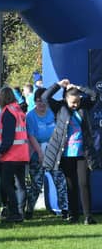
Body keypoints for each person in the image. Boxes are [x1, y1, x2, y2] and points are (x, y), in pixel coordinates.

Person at [42, 79, 99, 224]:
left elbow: (95, 95)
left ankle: (88, 216)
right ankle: (73, 216)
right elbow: (45, 97)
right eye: (72, 102)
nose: (75, 105)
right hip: (66, 154)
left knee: (84, 183)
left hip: (83, 154)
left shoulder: (84, 106)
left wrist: (79, 87)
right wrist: (58, 85)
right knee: (71, 185)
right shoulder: (59, 107)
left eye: (77, 102)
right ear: (65, 99)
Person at [25, 87, 68, 219]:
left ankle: (65, 209)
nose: (41, 104)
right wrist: (40, 153)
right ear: (35, 102)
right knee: (36, 184)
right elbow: (31, 136)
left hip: (53, 150)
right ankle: (29, 210)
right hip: (36, 150)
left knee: (59, 180)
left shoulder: (52, 113)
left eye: (43, 101)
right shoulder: (30, 116)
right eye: (38, 101)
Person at [0, 86, 30, 222]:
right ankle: (20, 212)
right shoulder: (18, 110)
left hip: (11, 155)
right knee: (20, 185)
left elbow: (8, 137)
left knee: (6, 184)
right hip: (22, 153)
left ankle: (14, 212)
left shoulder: (8, 112)